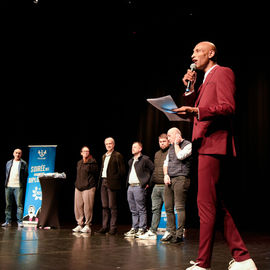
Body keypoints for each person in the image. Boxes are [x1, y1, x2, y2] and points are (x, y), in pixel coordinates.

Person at [174, 41, 257, 270]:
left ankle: (203, 264)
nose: (193, 55)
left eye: (197, 51)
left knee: (206, 205)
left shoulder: (222, 73)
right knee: (217, 205)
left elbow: (228, 107)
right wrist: (190, 89)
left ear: (211, 53)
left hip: (214, 145)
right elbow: (194, 110)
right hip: (204, 146)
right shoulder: (202, 80)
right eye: (192, 52)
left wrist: (197, 110)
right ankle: (243, 259)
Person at [161, 127, 192, 244]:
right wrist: (165, 175)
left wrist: (176, 144)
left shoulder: (188, 145)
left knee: (179, 207)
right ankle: (171, 232)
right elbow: (166, 163)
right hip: (170, 178)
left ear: (177, 135)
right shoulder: (170, 148)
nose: (168, 139)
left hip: (181, 178)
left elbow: (180, 156)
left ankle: (179, 235)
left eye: (169, 136)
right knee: (168, 207)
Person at [138, 133, 170, 240]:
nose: (162, 144)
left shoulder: (172, 152)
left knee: (169, 210)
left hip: (166, 186)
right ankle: (152, 231)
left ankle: (170, 231)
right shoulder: (157, 154)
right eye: (160, 142)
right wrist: (149, 183)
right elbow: (154, 170)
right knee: (155, 209)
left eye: (164, 141)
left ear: (168, 141)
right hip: (156, 186)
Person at [96, 137, 126, 235]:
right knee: (104, 206)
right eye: (107, 144)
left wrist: (114, 179)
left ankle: (113, 228)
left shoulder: (117, 155)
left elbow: (122, 171)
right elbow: (102, 169)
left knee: (112, 206)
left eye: (110, 143)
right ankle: (105, 227)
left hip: (112, 183)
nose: (108, 145)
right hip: (103, 182)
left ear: (113, 144)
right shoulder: (104, 156)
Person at [124, 142, 154, 238]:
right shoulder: (131, 160)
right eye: (132, 147)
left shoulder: (145, 159)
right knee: (133, 209)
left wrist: (148, 183)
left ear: (140, 148)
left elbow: (153, 170)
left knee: (141, 208)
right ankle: (134, 228)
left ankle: (142, 228)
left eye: (135, 147)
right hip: (130, 187)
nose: (133, 148)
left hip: (139, 187)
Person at [72, 146, 98, 233]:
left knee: (88, 207)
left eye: (87, 151)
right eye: (84, 151)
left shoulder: (92, 162)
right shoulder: (79, 162)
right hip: (79, 187)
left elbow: (95, 172)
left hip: (89, 187)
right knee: (78, 207)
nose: (86, 153)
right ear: (81, 153)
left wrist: (89, 161)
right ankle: (80, 224)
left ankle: (87, 225)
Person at [2, 148, 28, 227]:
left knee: (19, 205)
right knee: (8, 205)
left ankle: (20, 222)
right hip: (8, 185)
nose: (17, 154)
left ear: (21, 154)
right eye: (16, 153)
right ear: (13, 153)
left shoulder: (23, 163)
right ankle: (7, 221)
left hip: (18, 186)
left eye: (19, 153)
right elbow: (7, 173)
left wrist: (22, 183)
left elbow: (26, 174)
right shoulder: (9, 162)